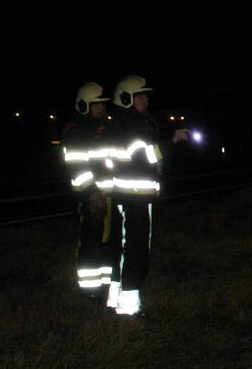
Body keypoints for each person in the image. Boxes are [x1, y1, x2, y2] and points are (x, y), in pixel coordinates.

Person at [107, 75, 189, 317]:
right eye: (139, 95)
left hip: (136, 195)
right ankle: (129, 308)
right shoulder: (129, 125)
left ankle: (116, 300)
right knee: (135, 251)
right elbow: (142, 155)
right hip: (134, 196)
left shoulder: (135, 122)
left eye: (145, 95)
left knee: (126, 250)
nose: (145, 100)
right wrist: (171, 141)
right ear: (125, 99)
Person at [62, 82, 119, 301]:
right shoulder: (76, 131)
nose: (102, 108)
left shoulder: (101, 129)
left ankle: (104, 287)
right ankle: (89, 292)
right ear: (84, 105)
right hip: (91, 198)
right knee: (90, 243)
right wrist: (92, 193)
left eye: (103, 104)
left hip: (108, 196)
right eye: (97, 105)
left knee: (106, 243)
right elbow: (77, 167)